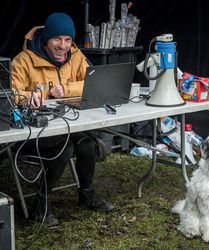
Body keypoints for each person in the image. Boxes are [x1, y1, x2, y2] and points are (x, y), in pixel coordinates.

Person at [11, 13, 114, 226]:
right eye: (57, 39)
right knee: (65, 147)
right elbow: (9, 93)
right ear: (47, 38)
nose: (63, 45)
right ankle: (42, 203)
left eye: (68, 40)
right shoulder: (24, 60)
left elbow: (94, 83)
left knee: (86, 143)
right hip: (33, 131)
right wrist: (26, 97)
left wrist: (65, 89)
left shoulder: (76, 57)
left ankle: (86, 194)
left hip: (66, 124)